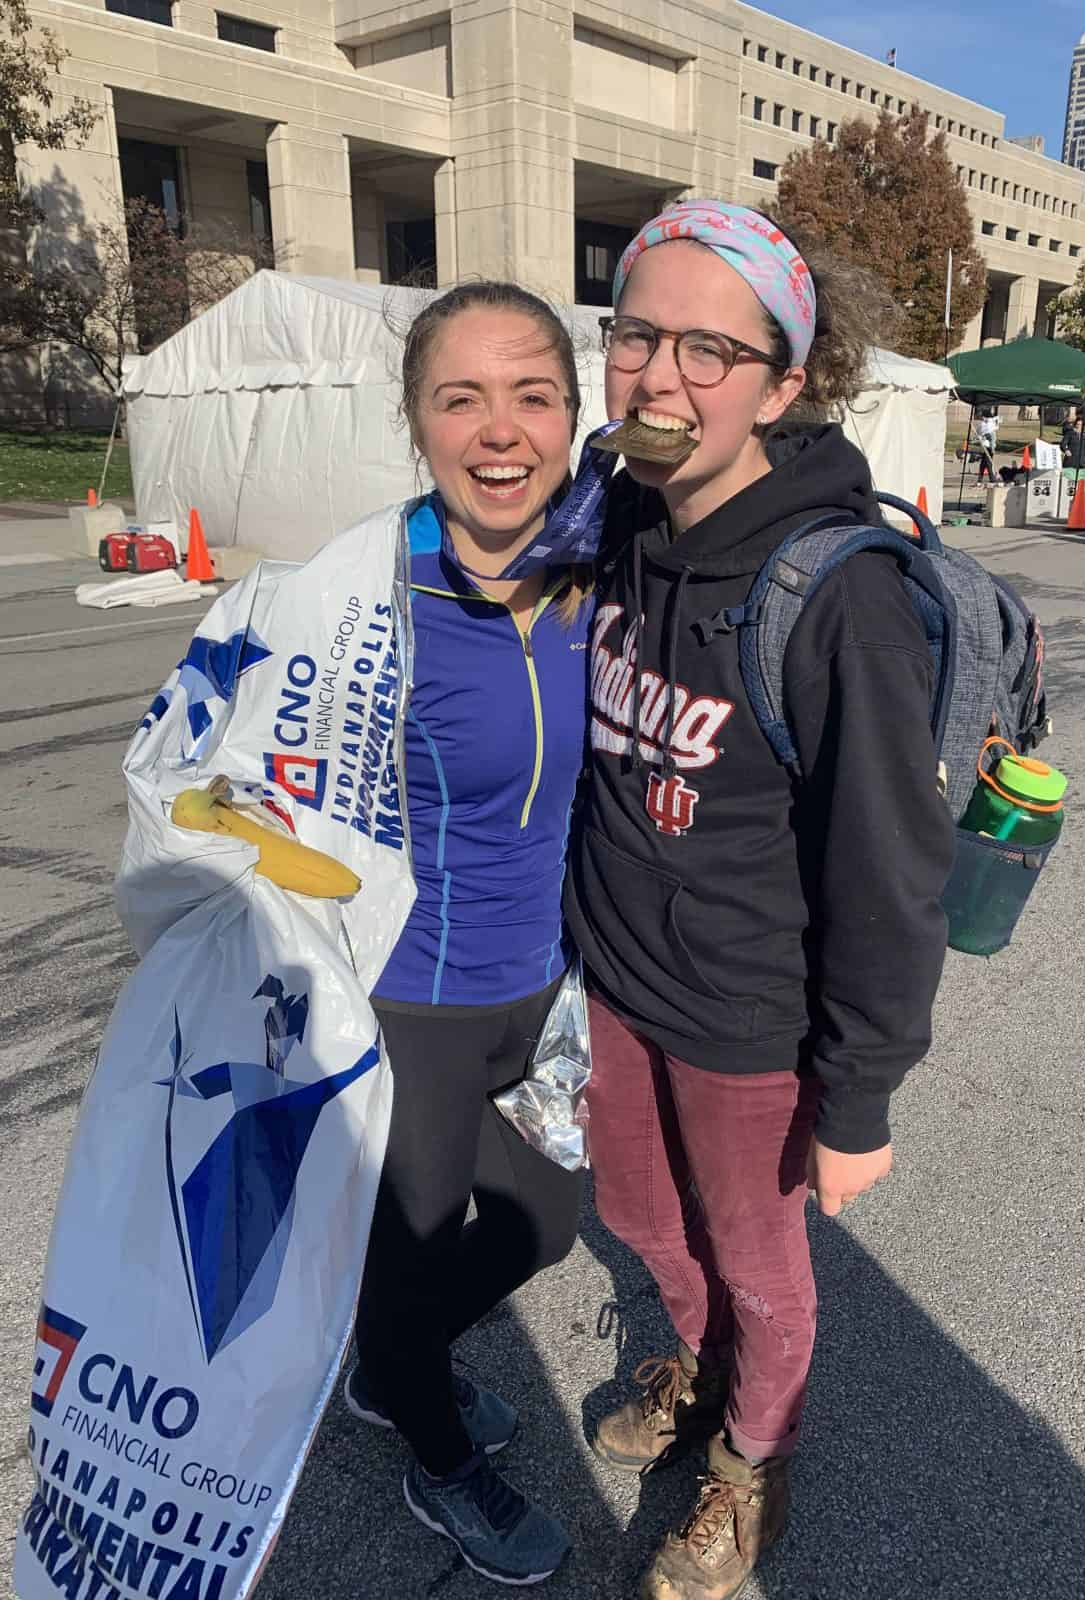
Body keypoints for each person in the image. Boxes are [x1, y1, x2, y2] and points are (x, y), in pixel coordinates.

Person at [566, 202, 955, 1600]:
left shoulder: (832, 595)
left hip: (748, 1014)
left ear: (787, 382)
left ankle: (753, 1469)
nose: (660, 376)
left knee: (759, 1254)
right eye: (635, 333)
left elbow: (893, 872)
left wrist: (857, 1102)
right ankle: (701, 1363)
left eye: (708, 351)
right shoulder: (616, 516)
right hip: (617, 978)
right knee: (641, 1213)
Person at [344, 282, 594, 1586]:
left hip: (547, 986)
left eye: (532, 393)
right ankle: (433, 1449)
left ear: (573, 417)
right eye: (461, 397)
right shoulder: (368, 591)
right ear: (418, 421)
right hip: (416, 1000)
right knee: (427, 1245)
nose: (500, 429)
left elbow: (759, 467)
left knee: (542, 1223)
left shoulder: (599, 546)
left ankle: (390, 1364)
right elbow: (234, 764)